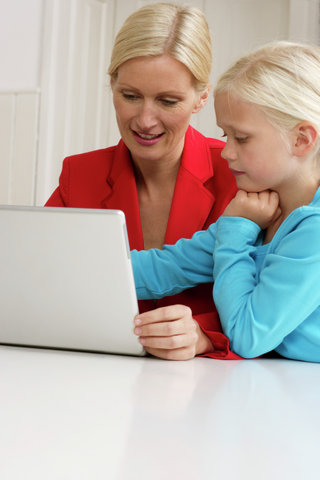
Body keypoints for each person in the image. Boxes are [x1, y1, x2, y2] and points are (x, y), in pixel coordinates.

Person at [45, 3, 239, 360]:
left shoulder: (240, 175)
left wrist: (206, 334)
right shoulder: (80, 175)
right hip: (98, 384)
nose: (145, 120)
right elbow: (42, 283)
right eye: (130, 96)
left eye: (167, 101)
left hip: (212, 392)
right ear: (112, 86)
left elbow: (276, 297)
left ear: (201, 98)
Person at [131, 41, 320, 363]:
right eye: (225, 136)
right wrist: (73, 270)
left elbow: (247, 335)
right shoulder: (260, 209)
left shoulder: (309, 229)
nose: (228, 152)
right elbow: (166, 268)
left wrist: (236, 230)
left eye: (242, 138)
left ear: (302, 139)